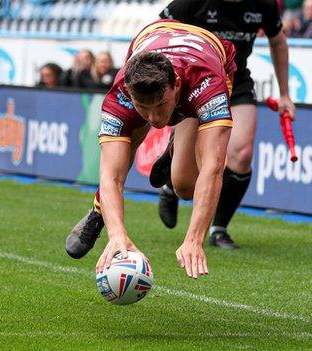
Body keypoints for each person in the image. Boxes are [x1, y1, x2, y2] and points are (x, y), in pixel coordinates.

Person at [65, 19, 237, 279]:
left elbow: (213, 170)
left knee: (185, 187)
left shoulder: (207, 85)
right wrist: (117, 235)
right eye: (143, 107)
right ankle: (98, 211)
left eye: (160, 105)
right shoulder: (120, 94)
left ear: (176, 86)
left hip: (210, 58)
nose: (154, 118)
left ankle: (173, 146)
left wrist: (194, 239)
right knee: (125, 150)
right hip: (150, 37)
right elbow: (111, 175)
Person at [157, 0, 296, 249]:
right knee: (185, 185)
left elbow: (278, 41)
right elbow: (160, 32)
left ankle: (219, 229)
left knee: (241, 155)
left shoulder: (264, 4)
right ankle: (170, 177)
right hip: (195, 83)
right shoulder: (190, 3)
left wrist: (285, 94)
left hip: (236, 81)